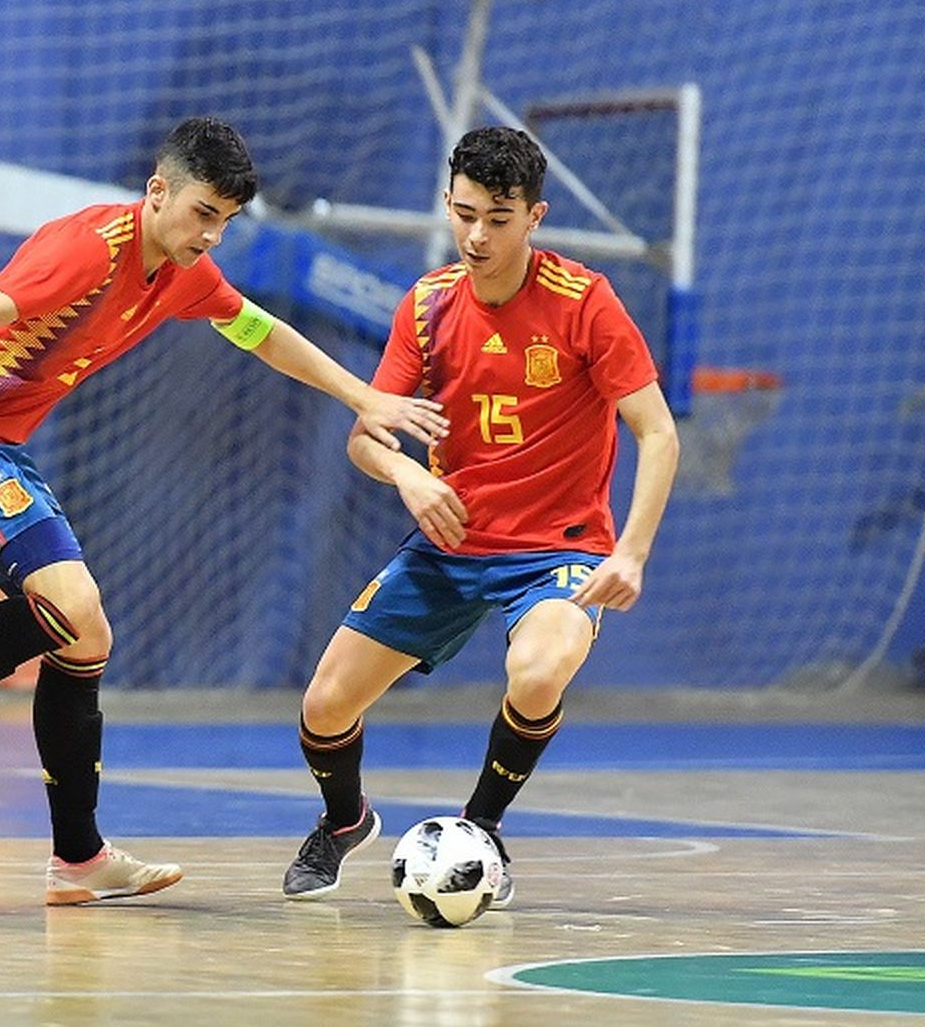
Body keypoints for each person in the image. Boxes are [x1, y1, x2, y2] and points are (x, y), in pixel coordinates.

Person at [0, 116, 450, 906]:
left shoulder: (184, 274)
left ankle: (78, 861)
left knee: (85, 638)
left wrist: (363, 396)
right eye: (202, 213)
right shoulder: (89, 247)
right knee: (72, 608)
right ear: (157, 191)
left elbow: (262, 333)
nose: (210, 235)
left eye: (225, 221)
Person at [280, 127, 680, 907]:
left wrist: (630, 552)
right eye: (464, 215)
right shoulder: (427, 306)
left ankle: (482, 828)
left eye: (498, 219)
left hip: (557, 549)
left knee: (540, 669)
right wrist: (407, 475)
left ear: (534, 216)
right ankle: (344, 818)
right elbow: (366, 436)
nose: (476, 236)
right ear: (446, 203)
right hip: (448, 543)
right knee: (324, 707)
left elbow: (658, 431)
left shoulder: (584, 303)